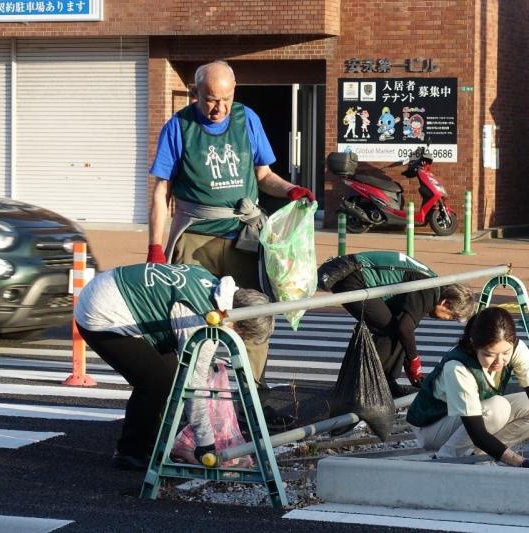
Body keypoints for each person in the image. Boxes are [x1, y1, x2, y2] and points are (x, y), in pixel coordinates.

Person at [146, 60, 313, 419]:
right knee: (192, 321)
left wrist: (292, 191)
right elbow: (161, 191)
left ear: (234, 91)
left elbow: (264, 175)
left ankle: (254, 395)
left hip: (243, 238)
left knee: (253, 316)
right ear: (195, 94)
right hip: (194, 238)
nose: (219, 108)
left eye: (225, 98)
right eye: (210, 99)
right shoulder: (179, 127)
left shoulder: (246, 119)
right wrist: (156, 247)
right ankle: (192, 404)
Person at [74, 262, 274, 471]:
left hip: (113, 287)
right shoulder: (203, 319)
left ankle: (153, 445)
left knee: (170, 375)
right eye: (243, 336)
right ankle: (130, 451)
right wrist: (206, 445)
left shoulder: (217, 287)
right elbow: (193, 386)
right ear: (238, 326)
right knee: (156, 381)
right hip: (100, 312)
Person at [406, 306, 529, 468]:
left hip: (469, 419)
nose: (499, 361)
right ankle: (445, 458)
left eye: (505, 353)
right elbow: (477, 433)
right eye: (489, 354)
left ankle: (478, 456)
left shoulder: (515, 348)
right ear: (473, 344)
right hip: (432, 427)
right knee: (497, 408)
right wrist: (521, 462)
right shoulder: (458, 367)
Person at [317, 251, 476, 397]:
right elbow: (404, 328)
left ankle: (385, 380)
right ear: (445, 302)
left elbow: (406, 328)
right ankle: (366, 384)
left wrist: (410, 364)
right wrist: (414, 361)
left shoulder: (433, 286)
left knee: (399, 328)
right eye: (451, 316)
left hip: (356, 274)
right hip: (352, 277)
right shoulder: (428, 293)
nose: (447, 320)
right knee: (389, 328)